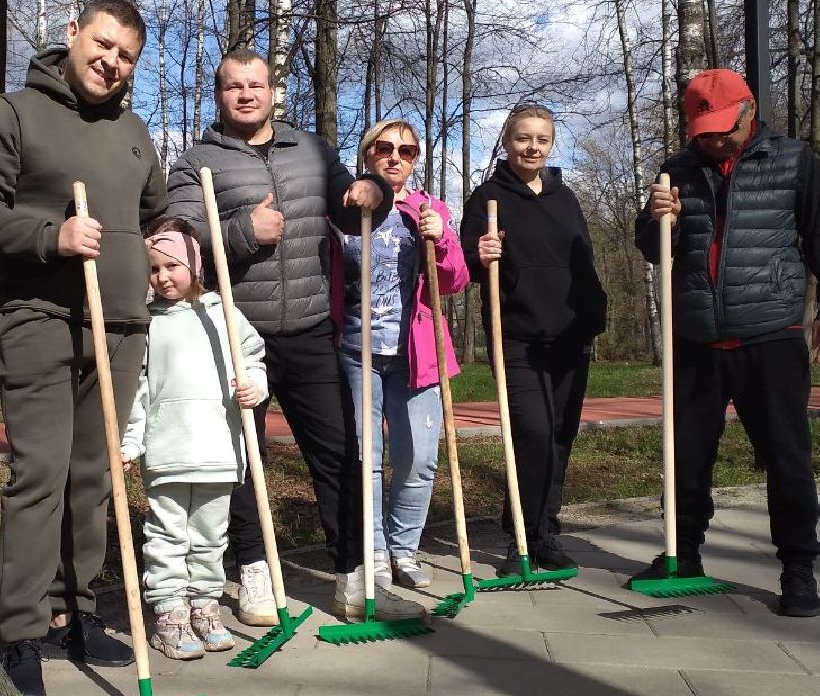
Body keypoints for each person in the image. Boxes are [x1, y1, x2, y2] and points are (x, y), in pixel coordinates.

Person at [165, 48, 426, 624]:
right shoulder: (194, 163)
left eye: (255, 85)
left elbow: (358, 203)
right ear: (219, 94)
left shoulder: (311, 149)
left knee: (340, 454)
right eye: (234, 86)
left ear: (272, 91)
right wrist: (241, 230)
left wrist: (371, 194)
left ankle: (353, 579)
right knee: (242, 459)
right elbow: (177, 241)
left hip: (310, 330)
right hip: (235, 332)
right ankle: (254, 573)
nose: (246, 95)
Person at [0, 0, 166, 696]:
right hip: (40, 316)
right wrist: (52, 238)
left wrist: (171, 240)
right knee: (40, 474)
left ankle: (78, 612)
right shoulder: (12, 114)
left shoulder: (135, 132)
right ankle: (18, 630)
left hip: (121, 326)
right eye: (103, 44)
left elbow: (155, 212)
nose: (111, 62)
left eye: (126, 55)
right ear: (73, 33)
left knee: (95, 477)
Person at [634, 68, 820, 617]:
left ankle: (798, 568)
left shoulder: (793, 161)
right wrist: (663, 220)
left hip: (770, 337)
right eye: (701, 130)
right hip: (696, 340)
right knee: (686, 457)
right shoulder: (676, 169)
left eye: (721, 130)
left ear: (748, 113)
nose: (711, 140)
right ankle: (683, 555)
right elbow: (652, 249)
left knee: (786, 458)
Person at [461, 103, 607, 574]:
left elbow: (582, 260)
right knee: (534, 434)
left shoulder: (567, 199)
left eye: (541, 139)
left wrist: (594, 308)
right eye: (524, 138)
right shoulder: (487, 198)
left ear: (551, 144)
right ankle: (518, 535)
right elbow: (461, 267)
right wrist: (479, 254)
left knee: (561, 435)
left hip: (570, 334)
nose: (532, 147)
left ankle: (545, 532)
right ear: (507, 142)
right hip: (518, 335)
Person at [121, 219, 268, 659]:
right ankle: (169, 612)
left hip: (218, 450)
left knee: (209, 535)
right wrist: (131, 442)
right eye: (154, 268)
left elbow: (253, 356)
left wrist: (255, 387)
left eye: (173, 265)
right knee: (167, 534)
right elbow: (138, 390)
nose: (163, 276)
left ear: (195, 265)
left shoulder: (222, 313)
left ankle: (205, 605)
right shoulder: (147, 323)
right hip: (167, 452)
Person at [333, 120, 468, 590]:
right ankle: (372, 552)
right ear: (368, 154)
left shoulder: (427, 209)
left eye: (407, 151)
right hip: (356, 351)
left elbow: (453, 282)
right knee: (365, 457)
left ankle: (403, 550)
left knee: (418, 458)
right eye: (385, 148)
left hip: (415, 354)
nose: (396, 158)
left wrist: (443, 236)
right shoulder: (344, 208)